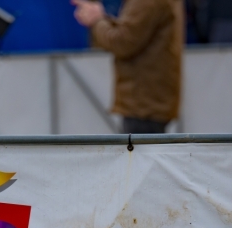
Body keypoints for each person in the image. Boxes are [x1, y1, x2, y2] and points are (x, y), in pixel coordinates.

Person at [72, 0, 184, 135]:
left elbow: (122, 42)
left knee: (139, 153)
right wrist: (102, 21)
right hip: (149, 101)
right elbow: (131, 34)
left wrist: (97, 20)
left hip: (144, 104)